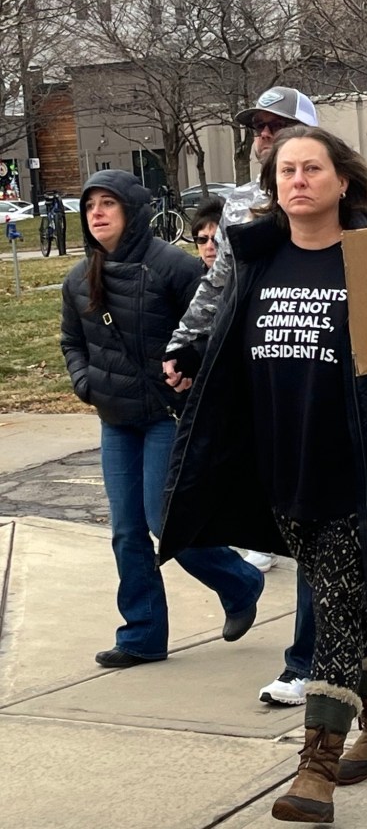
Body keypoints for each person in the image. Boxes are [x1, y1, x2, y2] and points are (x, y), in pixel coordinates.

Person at [159, 126, 367, 823]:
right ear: (273, 187)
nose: (298, 180)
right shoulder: (255, 258)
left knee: (334, 612)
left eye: (312, 168)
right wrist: (189, 360)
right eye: (287, 171)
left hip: (357, 473)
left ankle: (316, 766)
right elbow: (227, 346)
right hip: (281, 466)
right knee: (343, 606)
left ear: (342, 181)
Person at [60, 170, 265, 670]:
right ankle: (142, 634)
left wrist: (192, 376)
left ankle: (239, 581)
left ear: (132, 210)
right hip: (116, 419)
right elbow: (71, 341)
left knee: (163, 518)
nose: (97, 214)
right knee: (126, 531)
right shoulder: (79, 278)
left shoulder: (173, 267)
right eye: (90, 206)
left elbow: (212, 329)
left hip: (167, 416)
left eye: (108, 203)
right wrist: (86, 383)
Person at [163, 87, 320, 707]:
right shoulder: (240, 211)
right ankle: (339, 637)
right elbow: (220, 289)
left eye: (277, 125)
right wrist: (186, 345)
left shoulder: (346, 204)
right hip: (264, 378)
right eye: (258, 127)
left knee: (321, 524)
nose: (265, 136)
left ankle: (309, 658)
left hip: (327, 385)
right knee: (290, 519)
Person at [190, 195, 225, 270]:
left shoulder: (247, 274)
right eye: (202, 239)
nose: (209, 246)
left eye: (217, 239)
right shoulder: (190, 273)